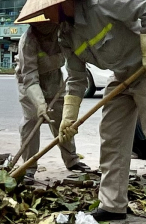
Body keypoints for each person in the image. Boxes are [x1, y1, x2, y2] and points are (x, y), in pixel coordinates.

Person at [17, 0, 146, 224]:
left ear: (61, 2)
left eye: (47, 9)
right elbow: (75, 78)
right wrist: (68, 118)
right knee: (111, 138)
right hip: (121, 77)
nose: (46, 17)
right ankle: (113, 204)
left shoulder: (102, 3)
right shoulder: (65, 35)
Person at [15, 15, 92, 183]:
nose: (41, 27)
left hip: (54, 80)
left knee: (61, 119)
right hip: (30, 84)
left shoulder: (62, 33)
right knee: (32, 120)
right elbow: (30, 77)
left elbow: (75, 56)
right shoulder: (28, 41)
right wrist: (40, 104)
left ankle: (72, 160)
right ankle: (29, 166)